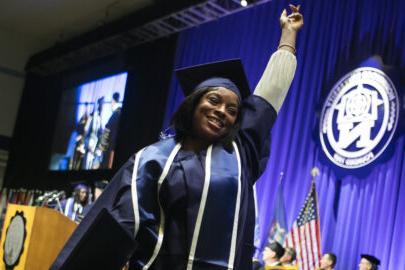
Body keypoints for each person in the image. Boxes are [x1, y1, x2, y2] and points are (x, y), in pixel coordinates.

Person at [51, 4, 303, 270]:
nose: (222, 112)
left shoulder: (240, 153)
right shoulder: (154, 159)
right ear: (193, 104)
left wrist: (288, 36)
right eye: (214, 100)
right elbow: (114, 227)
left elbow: (269, 96)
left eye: (232, 110)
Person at [95, 92, 122, 169]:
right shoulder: (119, 113)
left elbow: (107, 131)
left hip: (110, 148)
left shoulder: (115, 114)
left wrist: (101, 148)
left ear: (113, 101)